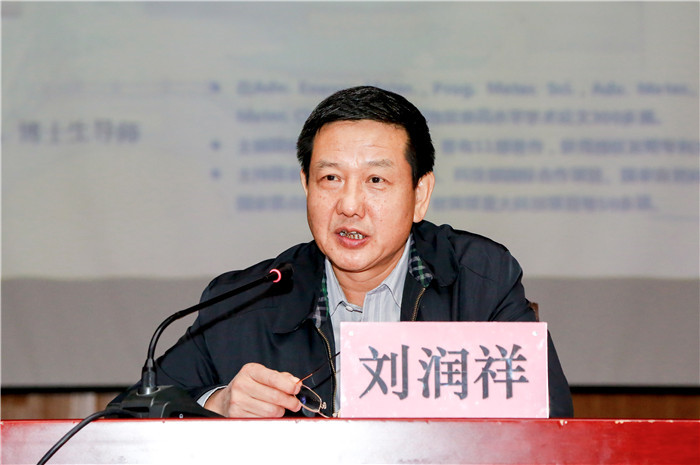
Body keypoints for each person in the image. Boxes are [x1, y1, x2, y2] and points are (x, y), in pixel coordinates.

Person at [147, 86, 574, 418]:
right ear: (306, 185)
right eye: (330, 178)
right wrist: (218, 403)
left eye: (376, 181)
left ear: (420, 194)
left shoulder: (480, 280)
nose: (349, 205)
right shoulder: (245, 301)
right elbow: (133, 412)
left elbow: (552, 424)